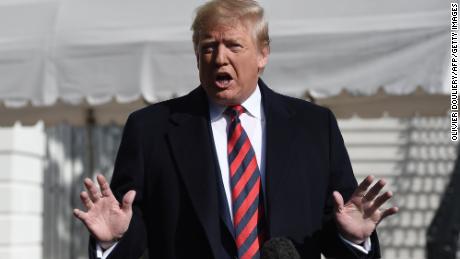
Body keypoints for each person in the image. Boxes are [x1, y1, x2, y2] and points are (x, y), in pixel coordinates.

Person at [73, 1, 398, 258]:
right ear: (196, 55)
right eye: (208, 47)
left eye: (234, 45)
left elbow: (336, 222)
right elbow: (132, 229)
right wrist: (111, 242)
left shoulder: (314, 127)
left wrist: (353, 239)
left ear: (263, 54)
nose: (219, 58)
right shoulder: (150, 129)